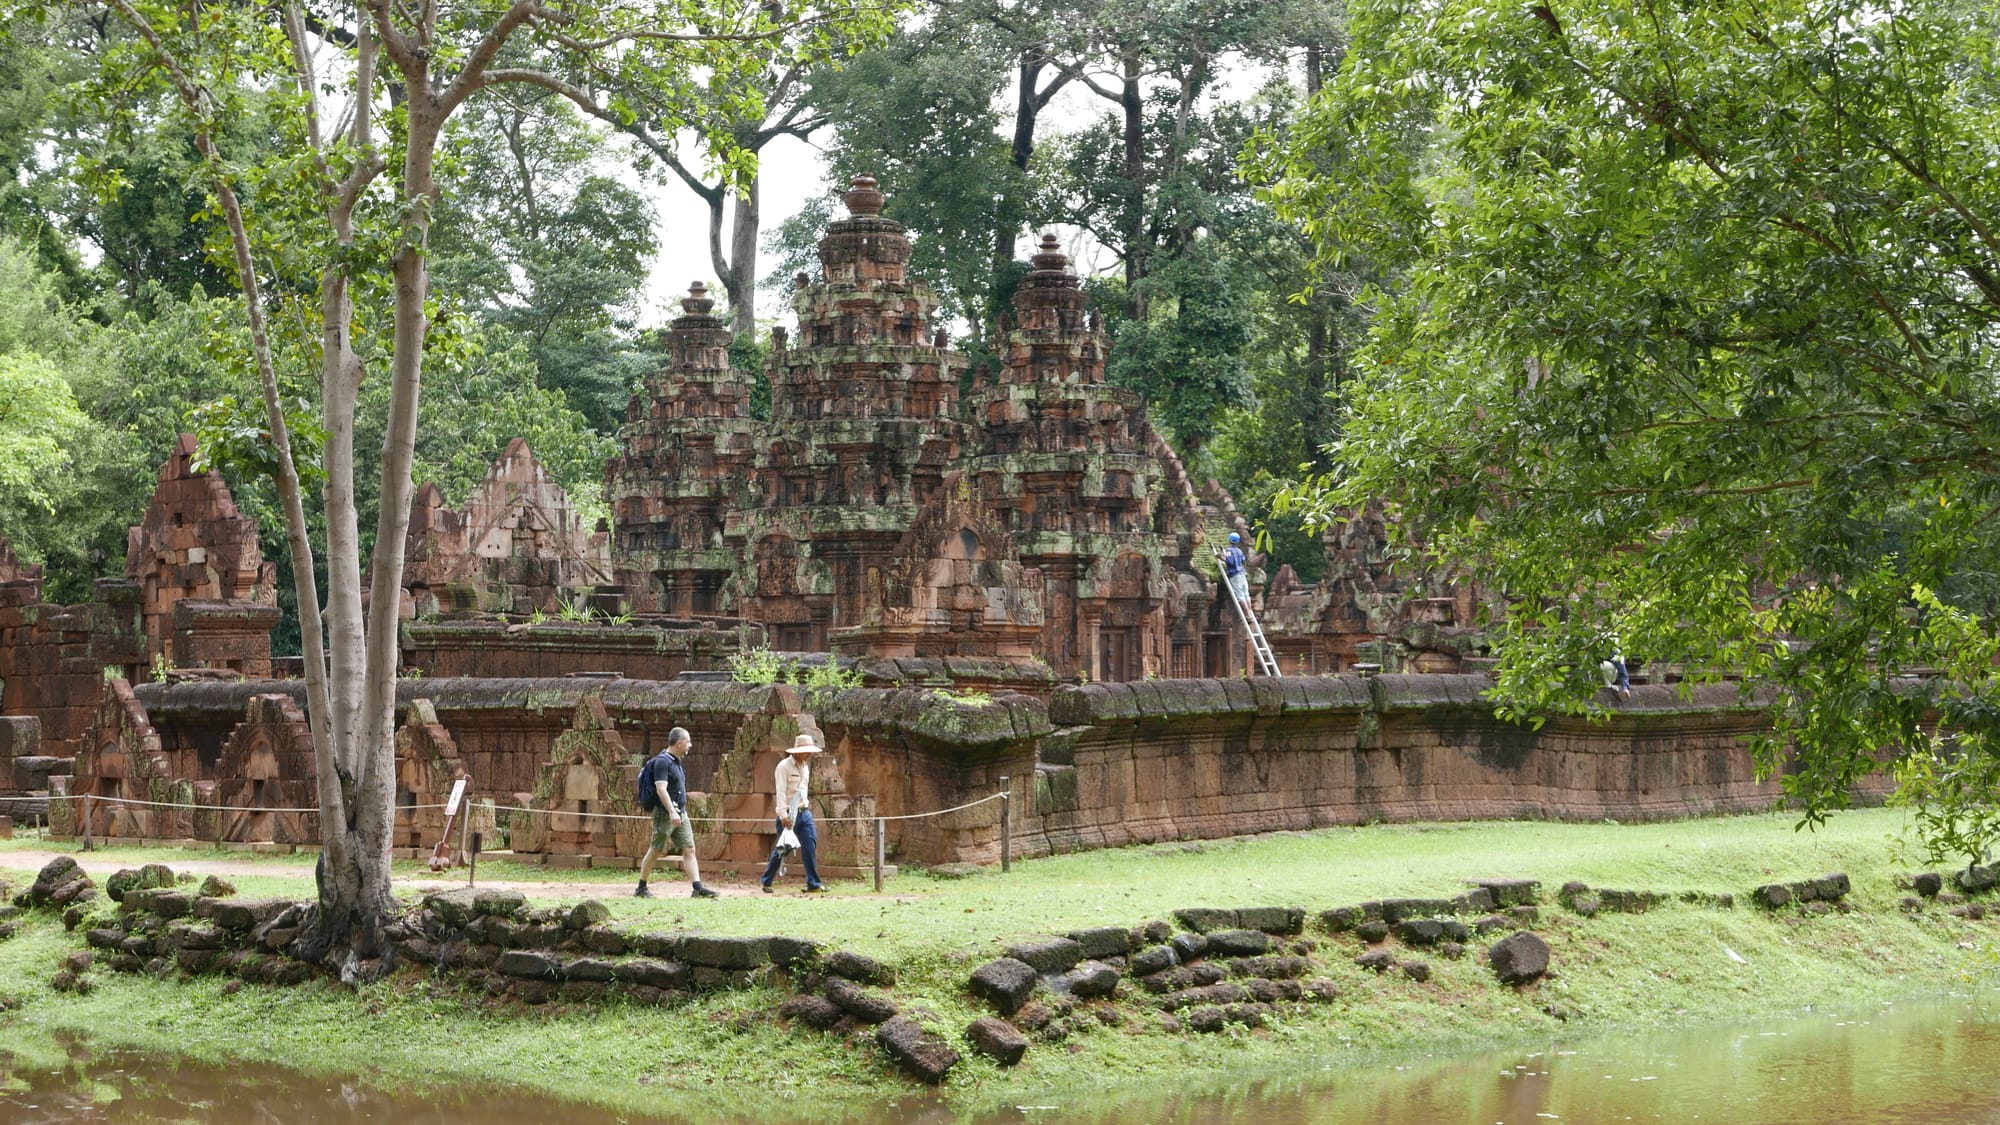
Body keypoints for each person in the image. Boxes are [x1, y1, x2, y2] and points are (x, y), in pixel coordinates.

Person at [636, 726, 718, 898]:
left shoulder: (676, 762)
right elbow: (661, 789)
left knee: (689, 848)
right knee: (656, 850)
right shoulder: (663, 762)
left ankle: (697, 888)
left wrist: (679, 812)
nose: (690, 745)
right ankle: (641, 887)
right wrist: (672, 812)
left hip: (680, 812)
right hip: (666, 814)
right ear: (679, 743)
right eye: (688, 742)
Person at [760, 733, 826, 894]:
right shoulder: (784, 767)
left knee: (810, 845)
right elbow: (780, 791)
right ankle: (766, 881)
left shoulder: (805, 767)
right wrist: (783, 815)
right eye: (807, 751)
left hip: (804, 812)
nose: (810, 754)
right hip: (789, 814)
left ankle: (813, 883)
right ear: (797, 751)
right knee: (783, 849)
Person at [1221, 532, 1250, 605]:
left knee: (1240, 595)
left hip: (1234, 575)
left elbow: (1230, 561)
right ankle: (1249, 610)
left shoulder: (1229, 550)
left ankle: (1247, 614)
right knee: (1246, 594)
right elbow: (1243, 560)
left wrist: (1221, 557)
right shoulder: (1239, 551)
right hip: (1242, 574)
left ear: (1229, 540)